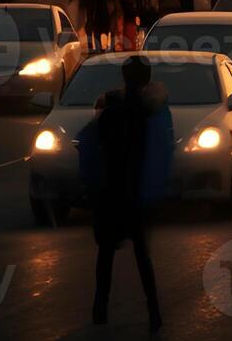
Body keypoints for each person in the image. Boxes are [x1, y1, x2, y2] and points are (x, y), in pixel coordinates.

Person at [78, 56, 172, 331]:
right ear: (146, 79)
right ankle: (153, 311)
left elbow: (90, 145)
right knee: (143, 256)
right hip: (136, 193)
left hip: (110, 192)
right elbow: (160, 152)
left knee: (105, 255)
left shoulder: (111, 110)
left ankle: (100, 309)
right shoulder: (150, 111)